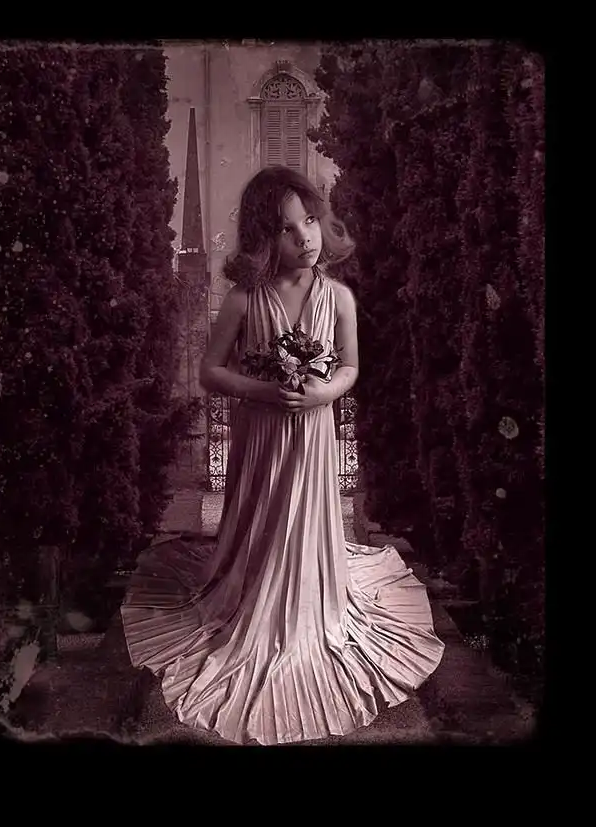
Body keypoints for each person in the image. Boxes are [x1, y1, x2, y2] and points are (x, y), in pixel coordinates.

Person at [121, 165, 444, 745]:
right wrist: (264, 390)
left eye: (311, 221)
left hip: (313, 434)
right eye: (287, 229)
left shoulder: (338, 297)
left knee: (306, 518)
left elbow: (350, 367)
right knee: (266, 518)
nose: (305, 238)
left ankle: (311, 600)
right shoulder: (246, 299)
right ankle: (253, 597)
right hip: (263, 434)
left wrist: (322, 392)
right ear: (262, 238)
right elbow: (210, 371)